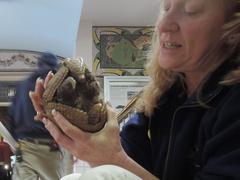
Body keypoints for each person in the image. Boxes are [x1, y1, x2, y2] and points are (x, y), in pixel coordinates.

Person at [30, 0, 240, 179]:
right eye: (166, 7)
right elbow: (129, 168)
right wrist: (78, 127)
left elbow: (115, 170)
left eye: (191, 10)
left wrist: (111, 158)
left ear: (233, 28)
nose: (164, 25)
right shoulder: (162, 99)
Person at [8, 52, 71, 180]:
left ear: (39, 64)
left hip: (26, 147)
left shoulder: (23, 85)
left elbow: (12, 116)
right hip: (51, 147)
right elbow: (66, 116)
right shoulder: (59, 85)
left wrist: (16, 140)